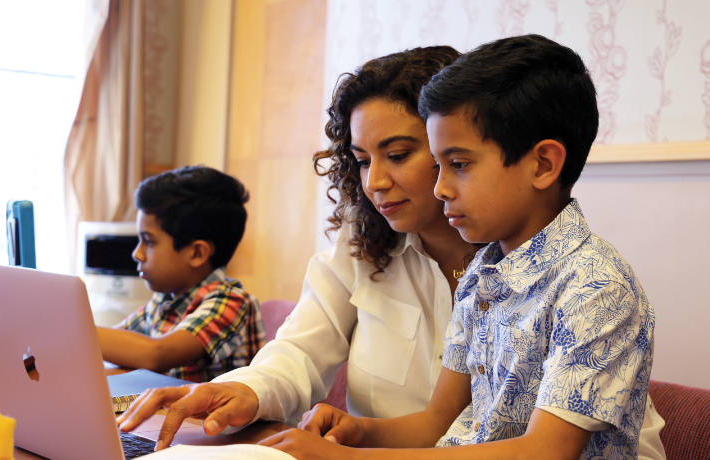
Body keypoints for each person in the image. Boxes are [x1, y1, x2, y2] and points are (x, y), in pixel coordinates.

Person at [116, 46, 665, 458]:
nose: (375, 182)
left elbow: (543, 451)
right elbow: (431, 423)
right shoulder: (485, 275)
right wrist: (353, 432)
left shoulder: (593, 284)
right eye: (359, 160)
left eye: (405, 155)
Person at [97, 165, 265, 383]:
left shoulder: (232, 303)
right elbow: (118, 341)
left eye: (148, 241)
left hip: (210, 418)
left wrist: (75, 332)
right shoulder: (165, 299)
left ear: (196, 253)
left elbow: (156, 354)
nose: (137, 253)